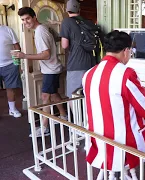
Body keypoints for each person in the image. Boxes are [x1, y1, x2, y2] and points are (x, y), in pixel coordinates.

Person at [83, 30, 145, 175]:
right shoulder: (126, 74)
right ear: (126, 51)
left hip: (98, 140)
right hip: (126, 144)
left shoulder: (89, 74)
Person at [14, 7, 67, 137]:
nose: (26, 22)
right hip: (51, 68)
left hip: (51, 69)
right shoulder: (42, 28)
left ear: (34, 17)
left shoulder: (40, 32)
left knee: (45, 96)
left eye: (27, 18)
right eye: (23, 20)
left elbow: (46, 55)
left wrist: (24, 56)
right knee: (53, 94)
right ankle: (64, 116)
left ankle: (44, 127)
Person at [60, 0, 97, 99]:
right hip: (91, 64)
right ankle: (87, 114)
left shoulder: (66, 22)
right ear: (79, 10)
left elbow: (64, 45)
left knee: (73, 96)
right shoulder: (88, 23)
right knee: (88, 94)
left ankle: (77, 115)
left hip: (76, 64)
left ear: (67, 10)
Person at [0, 25, 22, 118]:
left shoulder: (8, 30)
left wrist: (17, 63)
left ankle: (12, 110)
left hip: (10, 64)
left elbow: (17, 46)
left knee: (11, 88)